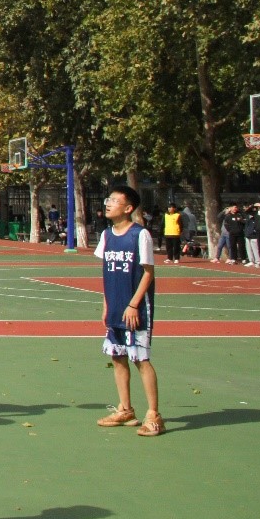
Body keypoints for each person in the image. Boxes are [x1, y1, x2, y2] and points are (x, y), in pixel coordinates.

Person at [95, 185, 163, 437]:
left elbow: (148, 273)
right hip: (115, 307)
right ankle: (125, 409)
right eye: (108, 199)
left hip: (135, 308)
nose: (108, 203)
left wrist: (133, 304)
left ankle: (154, 415)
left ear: (128, 208)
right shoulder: (106, 235)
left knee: (140, 359)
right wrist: (106, 304)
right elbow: (106, 272)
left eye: (114, 200)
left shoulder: (140, 234)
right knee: (117, 357)